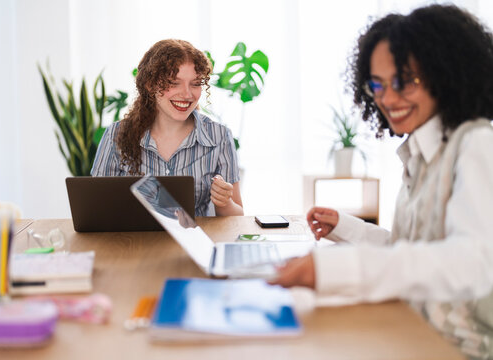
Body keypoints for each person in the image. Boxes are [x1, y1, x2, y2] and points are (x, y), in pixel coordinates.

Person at [270, 5, 493, 359]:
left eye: (404, 81)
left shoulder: (477, 143)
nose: (387, 98)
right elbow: (412, 247)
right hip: (410, 328)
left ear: (446, 74)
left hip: (455, 347)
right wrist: (346, 228)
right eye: (378, 84)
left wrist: (334, 269)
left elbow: (472, 261)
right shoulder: (419, 153)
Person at [91, 39, 243, 216]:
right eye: (173, 82)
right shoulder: (115, 135)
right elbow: (96, 209)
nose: (187, 94)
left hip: (193, 241)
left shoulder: (219, 136)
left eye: (195, 84)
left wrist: (224, 202)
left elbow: (237, 217)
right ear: (150, 85)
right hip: (134, 242)